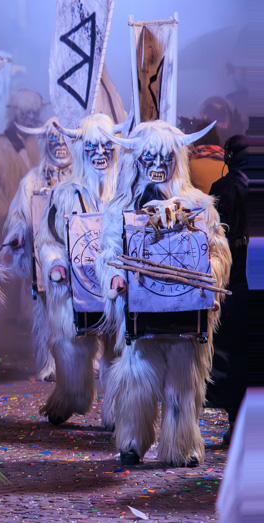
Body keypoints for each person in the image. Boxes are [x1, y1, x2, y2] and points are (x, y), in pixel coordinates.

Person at [96, 121, 230, 467]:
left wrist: (209, 281)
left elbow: (216, 249)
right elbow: (108, 253)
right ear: (135, 161)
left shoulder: (200, 204)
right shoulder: (119, 208)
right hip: (141, 312)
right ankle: (132, 442)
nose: (156, 165)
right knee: (137, 376)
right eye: (148, 157)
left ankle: (181, 445)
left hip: (186, 309)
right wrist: (114, 279)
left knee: (183, 381)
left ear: (176, 160)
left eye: (164, 157)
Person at [33, 114, 122, 426]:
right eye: (92, 146)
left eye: (106, 145)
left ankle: (117, 412)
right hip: (76, 285)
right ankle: (69, 396)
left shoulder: (126, 192)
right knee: (71, 343)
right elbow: (48, 238)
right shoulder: (65, 193)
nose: (99, 153)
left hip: (119, 286)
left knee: (121, 349)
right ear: (81, 150)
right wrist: (55, 264)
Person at [0, 117, 73, 382]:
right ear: (45, 143)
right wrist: (18, 233)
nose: (60, 145)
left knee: (84, 309)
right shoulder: (33, 179)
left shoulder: (82, 177)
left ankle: (88, 363)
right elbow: (19, 215)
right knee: (47, 311)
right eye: (53, 140)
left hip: (78, 256)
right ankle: (50, 363)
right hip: (45, 258)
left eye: (64, 140)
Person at [207, 135, 250, 443]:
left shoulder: (220, 190)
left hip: (233, 285)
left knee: (233, 355)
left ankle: (236, 423)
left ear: (229, 156)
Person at [0, 88, 45, 244]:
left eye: (34, 113)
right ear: (15, 114)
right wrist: (11, 222)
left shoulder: (45, 143)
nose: (30, 119)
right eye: (25, 113)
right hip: (13, 232)